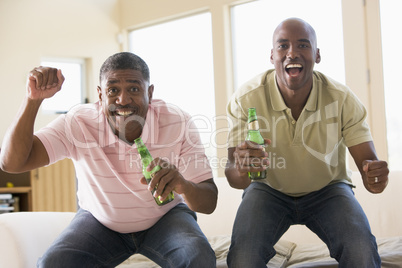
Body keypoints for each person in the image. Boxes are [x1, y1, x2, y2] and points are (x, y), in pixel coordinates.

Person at [0, 52, 218, 267]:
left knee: (197, 257)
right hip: (99, 221)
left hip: (166, 218)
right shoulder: (78, 122)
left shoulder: (178, 121)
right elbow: (12, 163)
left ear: (149, 93)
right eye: (113, 90)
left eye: (134, 89)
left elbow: (208, 202)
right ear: (100, 94)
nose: (123, 100)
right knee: (54, 263)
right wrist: (32, 100)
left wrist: (183, 185)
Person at [225, 18, 389, 267]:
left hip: (328, 190)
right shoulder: (246, 98)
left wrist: (375, 177)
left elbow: (369, 167)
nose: (292, 52)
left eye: (303, 45)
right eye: (283, 46)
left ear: (317, 55)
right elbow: (233, 176)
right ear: (272, 56)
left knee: (361, 249)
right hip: (266, 190)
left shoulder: (342, 98)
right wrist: (242, 168)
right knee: (243, 256)